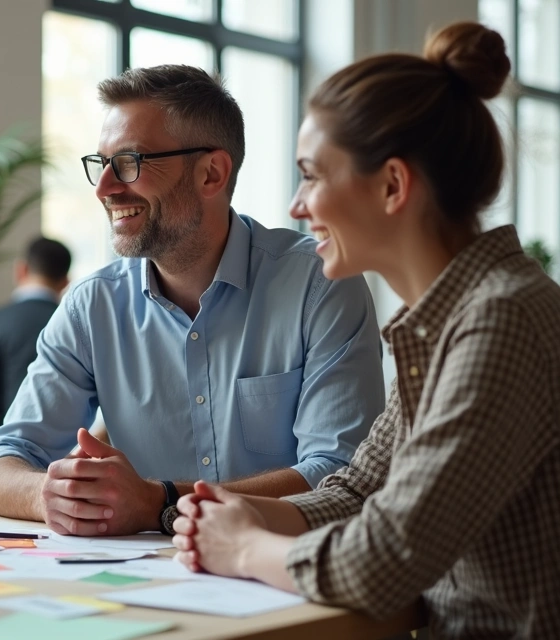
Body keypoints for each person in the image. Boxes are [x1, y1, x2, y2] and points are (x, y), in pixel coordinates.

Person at [171, 22, 560, 638]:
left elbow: (387, 556)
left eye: (312, 175)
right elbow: (358, 490)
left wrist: (244, 548)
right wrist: (246, 512)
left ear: (392, 185)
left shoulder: (500, 320)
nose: (297, 205)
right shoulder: (446, 322)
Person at [0, 65, 387, 538]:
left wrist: (161, 503)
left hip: (284, 575)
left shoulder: (320, 284)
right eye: (101, 162)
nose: (104, 188)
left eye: (130, 162)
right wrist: (49, 496)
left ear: (211, 173)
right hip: (141, 584)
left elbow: (341, 476)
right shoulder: (93, 305)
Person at [0, 236, 72, 431]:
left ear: (21, 270)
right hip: (65, 440)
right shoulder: (73, 321)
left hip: (7, 435)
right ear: (65, 282)